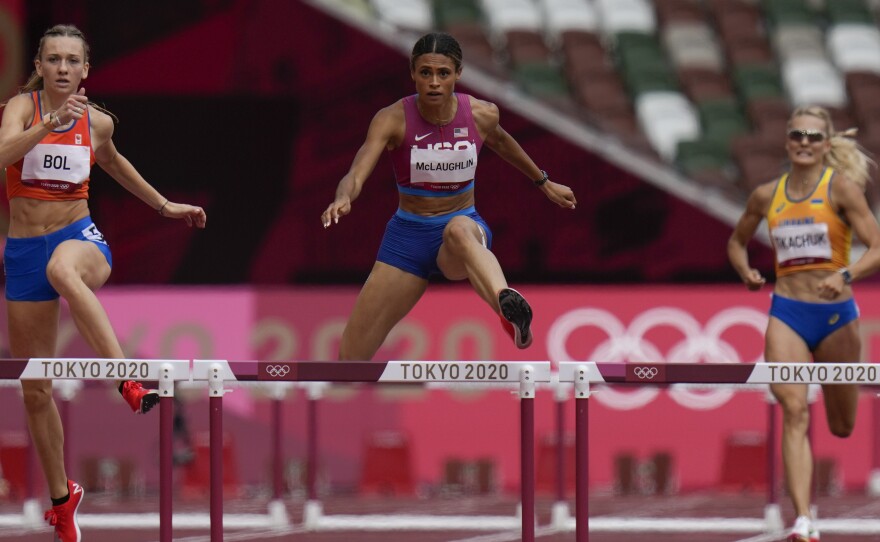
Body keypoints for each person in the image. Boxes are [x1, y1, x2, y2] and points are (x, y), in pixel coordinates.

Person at [0, 24, 206, 542]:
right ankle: (61, 499)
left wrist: (164, 205)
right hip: (23, 249)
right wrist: (48, 123)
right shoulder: (22, 109)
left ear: (85, 69)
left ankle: (126, 379)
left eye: (73, 60)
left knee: (63, 270)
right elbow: (2, 154)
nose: (63, 68)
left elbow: (115, 165)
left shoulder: (97, 123)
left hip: (80, 237)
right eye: (54, 60)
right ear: (41, 66)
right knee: (35, 388)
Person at [321, 32, 576, 360]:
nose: (434, 82)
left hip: (461, 231)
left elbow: (501, 142)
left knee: (457, 228)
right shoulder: (391, 119)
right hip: (407, 240)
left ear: (458, 74)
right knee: (350, 358)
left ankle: (507, 304)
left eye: (443, 73)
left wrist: (544, 182)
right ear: (413, 73)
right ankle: (504, 304)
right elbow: (357, 171)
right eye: (425, 73)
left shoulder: (481, 114)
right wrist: (344, 197)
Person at [728, 105, 880, 542]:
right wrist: (745, 270)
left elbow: (875, 246)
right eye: (798, 135)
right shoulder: (766, 195)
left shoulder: (842, 190)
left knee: (842, 425)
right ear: (787, 140)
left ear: (827, 145)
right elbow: (737, 242)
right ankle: (803, 520)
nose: (805, 143)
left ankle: (805, 516)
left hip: (836, 317)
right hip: (787, 311)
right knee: (793, 411)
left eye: (815, 137)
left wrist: (845, 274)